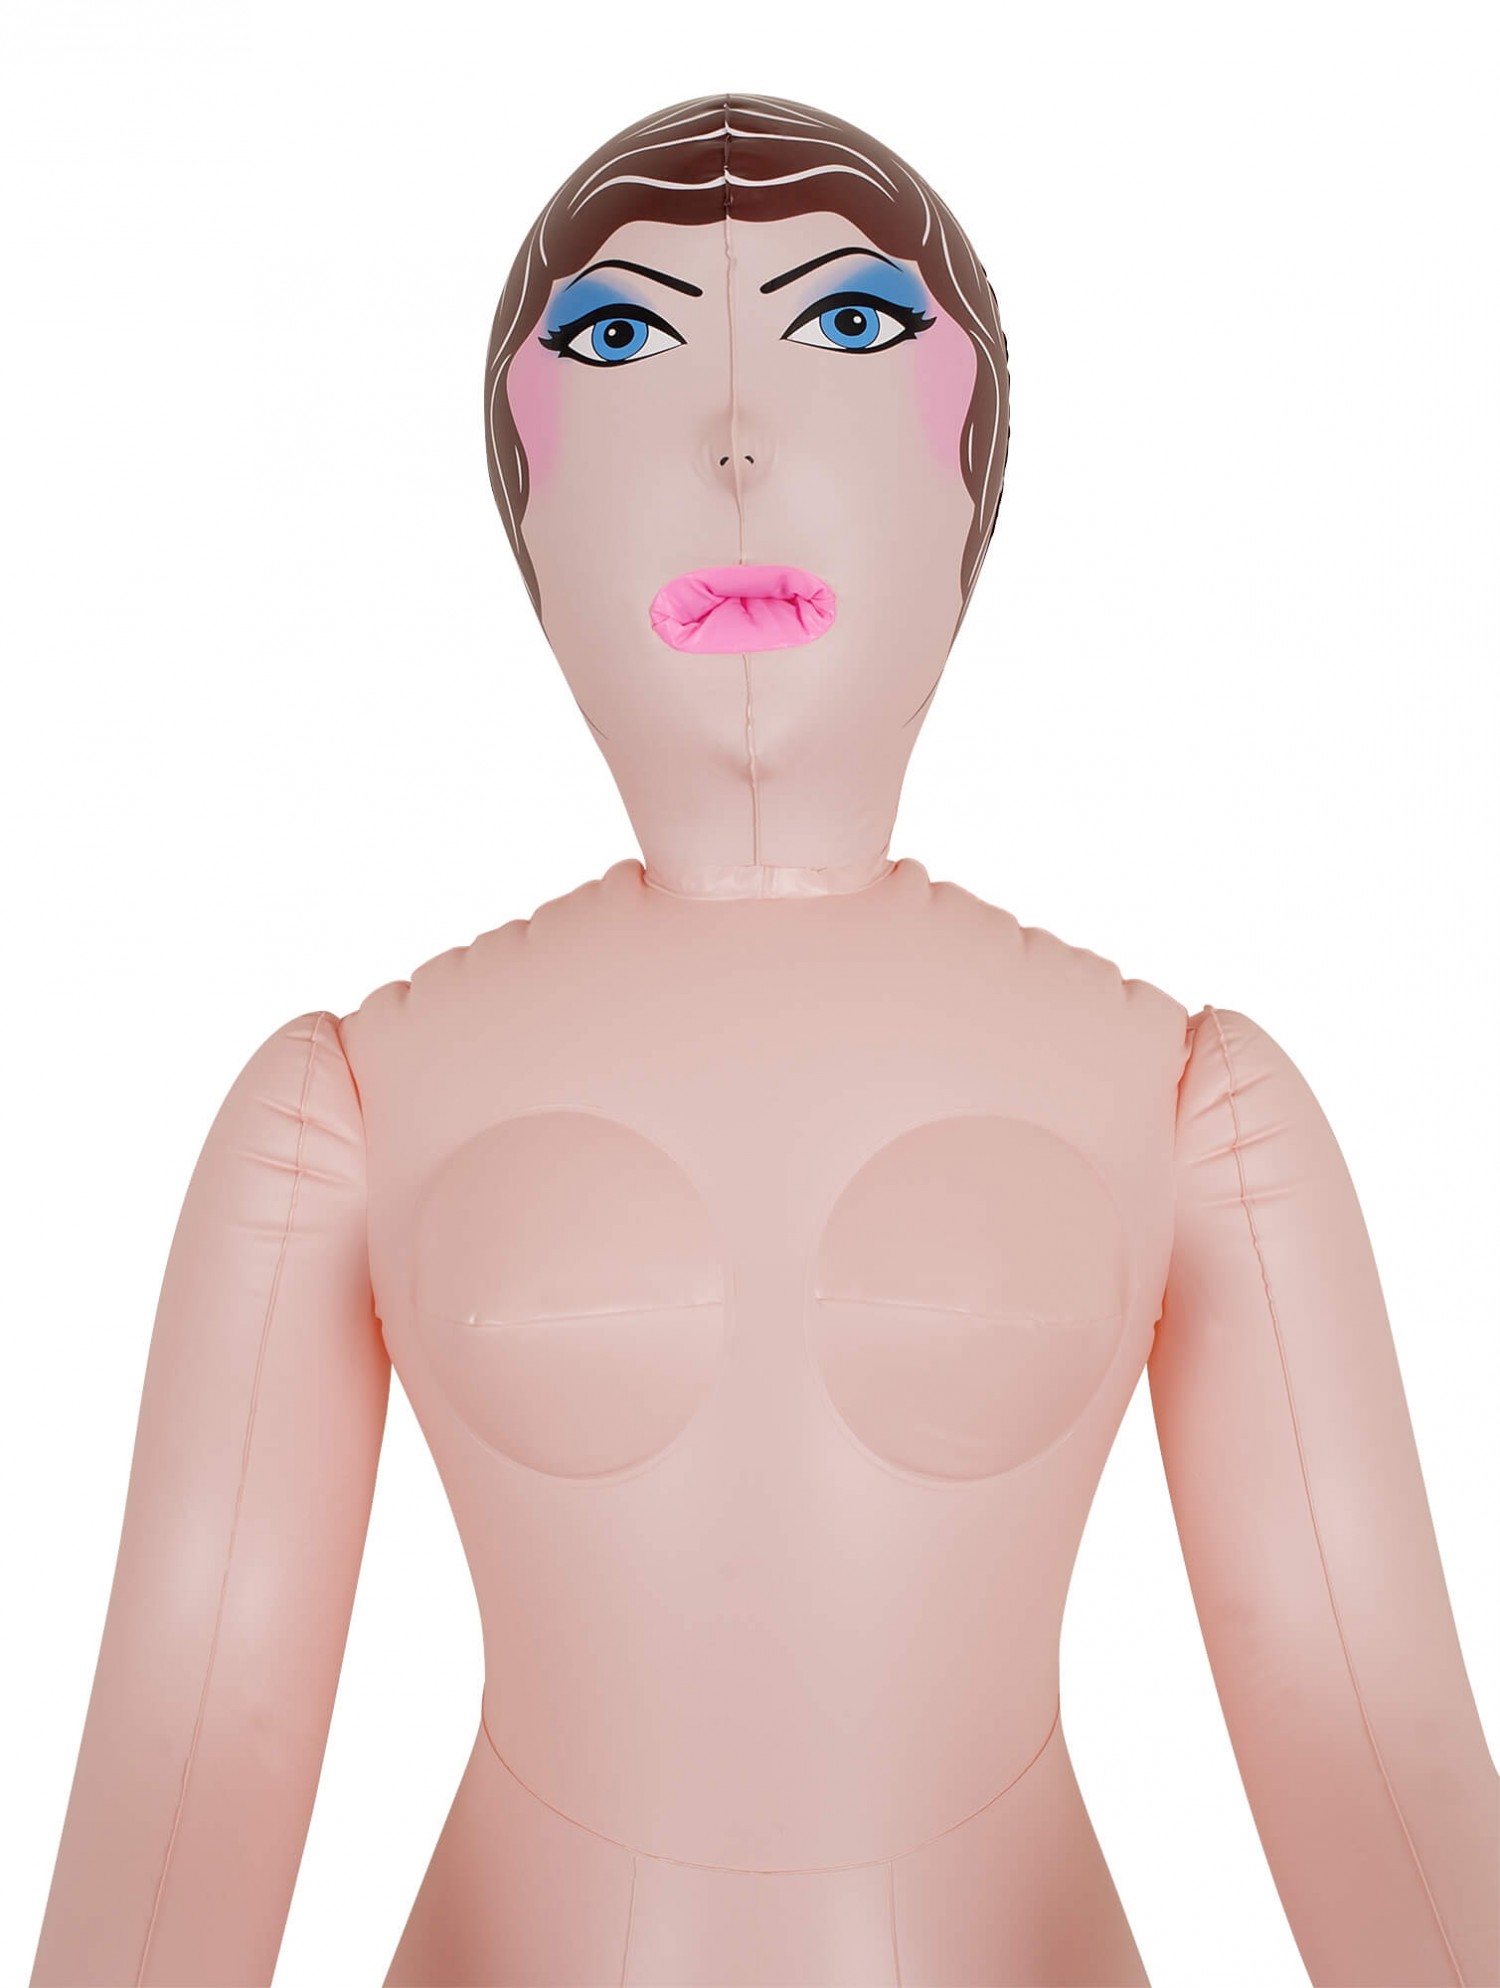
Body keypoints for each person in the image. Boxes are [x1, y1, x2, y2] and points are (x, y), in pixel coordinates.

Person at [31, 92, 1497, 1988]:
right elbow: (193, 1752)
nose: (734, 436)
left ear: (973, 471)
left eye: (852, 324)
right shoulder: (346, 1106)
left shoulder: (1193, 1104)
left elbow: (1368, 1743)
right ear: (522, 495)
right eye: (617, 337)